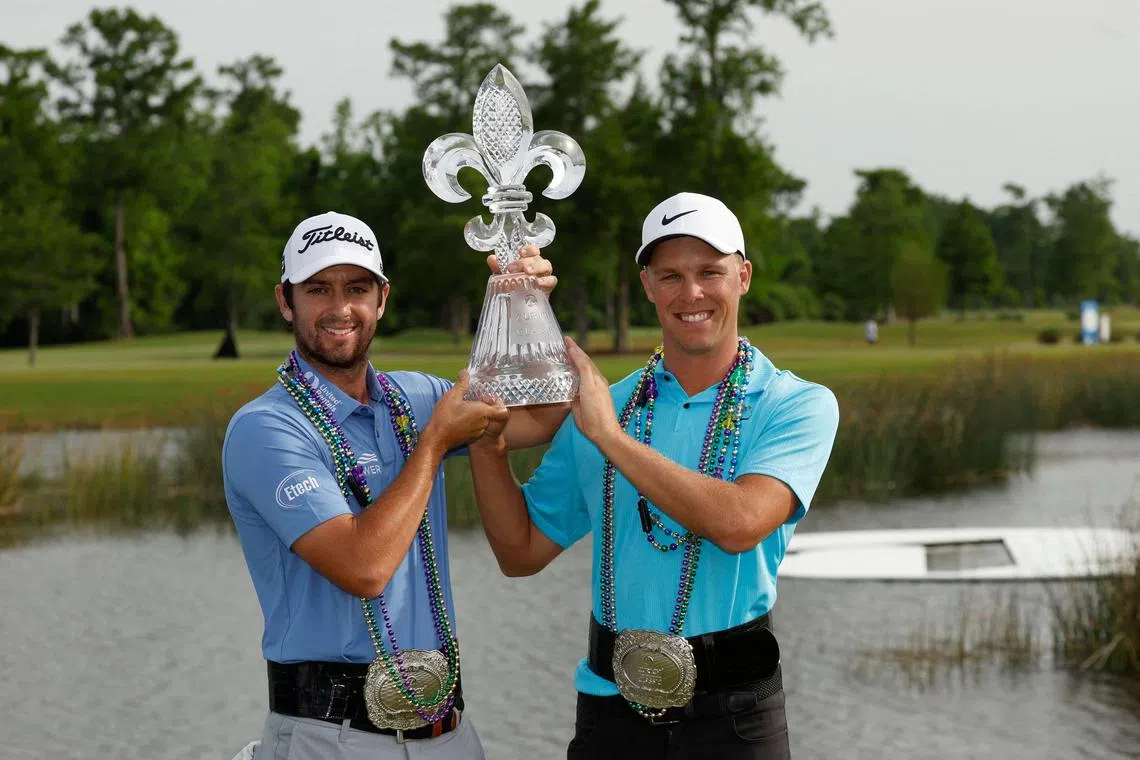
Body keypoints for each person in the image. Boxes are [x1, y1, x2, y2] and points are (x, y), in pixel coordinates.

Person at [467, 192, 840, 759]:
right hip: (610, 713)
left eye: (709, 272)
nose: (691, 293)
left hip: (735, 718)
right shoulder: (605, 406)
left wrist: (611, 438)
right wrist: (487, 443)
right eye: (670, 275)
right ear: (648, 286)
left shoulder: (796, 404)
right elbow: (520, 552)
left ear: (742, 277)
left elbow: (740, 523)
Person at [222, 211, 567, 759]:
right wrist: (432, 445)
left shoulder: (416, 398)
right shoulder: (265, 428)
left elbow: (543, 414)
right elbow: (363, 568)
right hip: (327, 736)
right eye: (318, 289)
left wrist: (524, 304)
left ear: (382, 299)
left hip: (447, 732)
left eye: (357, 289)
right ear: (286, 301)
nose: (340, 308)